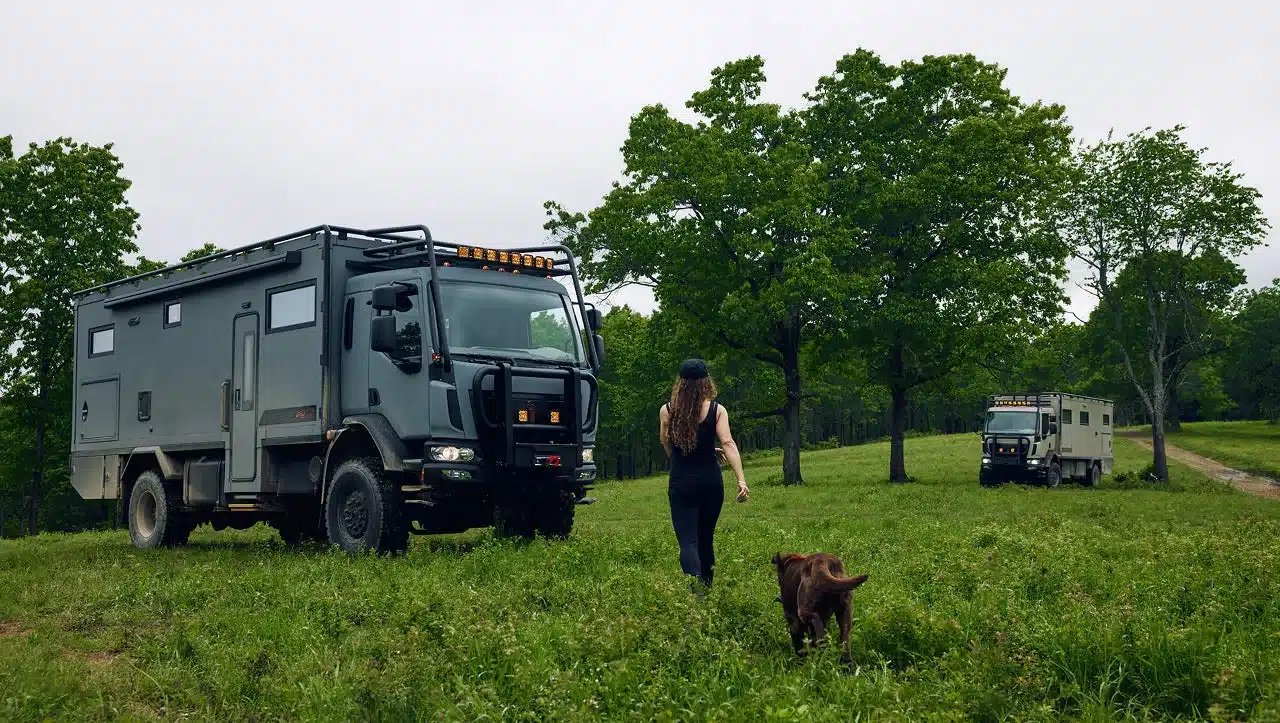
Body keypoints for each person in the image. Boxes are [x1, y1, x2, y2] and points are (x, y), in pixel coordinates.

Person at [659, 358, 749, 595]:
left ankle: (697, 592)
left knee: (688, 542)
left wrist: (680, 457)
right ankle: (707, 591)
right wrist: (740, 480)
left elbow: (666, 442)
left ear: (681, 383)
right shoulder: (717, 410)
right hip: (711, 482)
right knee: (706, 538)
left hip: (681, 483)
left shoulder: (667, 410)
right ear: (706, 382)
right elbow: (728, 442)